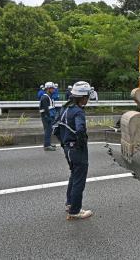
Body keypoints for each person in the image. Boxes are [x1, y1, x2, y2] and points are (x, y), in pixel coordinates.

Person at [59, 81, 93, 220]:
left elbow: (56, 127)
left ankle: (69, 203)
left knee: (74, 175)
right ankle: (75, 210)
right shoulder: (78, 111)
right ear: (83, 97)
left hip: (67, 148)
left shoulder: (65, 108)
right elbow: (80, 130)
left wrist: (64, 143)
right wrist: (81, 143)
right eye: (87, 96)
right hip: (77, 150)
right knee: (79, 180)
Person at [39, 82, 57, 151]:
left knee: (49, 130)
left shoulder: (48, 96)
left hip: (49, 116)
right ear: (48, 89)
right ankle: (47, 146)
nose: (54, 90)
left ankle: (48, 144)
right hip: (46, 116)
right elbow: (46, 109)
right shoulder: (44, 97)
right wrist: (48, 117)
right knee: (48, 130)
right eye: (52, 88)